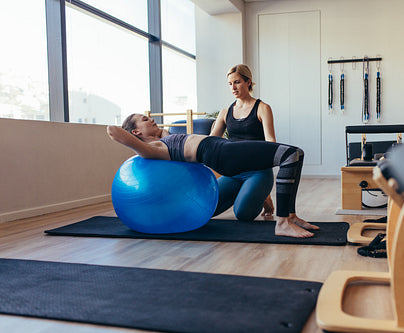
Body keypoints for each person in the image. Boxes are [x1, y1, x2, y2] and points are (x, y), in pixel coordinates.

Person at [108, 113, 320, 238]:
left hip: (223, 149)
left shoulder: (165, 137)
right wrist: (128, 136)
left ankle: (289, 216)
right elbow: (120, 135)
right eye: (145, 120)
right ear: (135, 132)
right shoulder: (153, 148)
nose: (152, 120)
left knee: (293, 155)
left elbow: (163, 135)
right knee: (292, 154)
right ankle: (282, 222)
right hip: (222, 154)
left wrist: (155, 130)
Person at [210, 64, 275, 220]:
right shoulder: (225, 112)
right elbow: (211, 141)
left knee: (243, 214)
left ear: (248, 82)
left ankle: (263, 194)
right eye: (230, 84)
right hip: (233, 173)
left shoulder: (262, 108)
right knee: (208, 208)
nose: (233, 87)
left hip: (258, 172)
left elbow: (271, 142)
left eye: (237, 82)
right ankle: (249, 191)